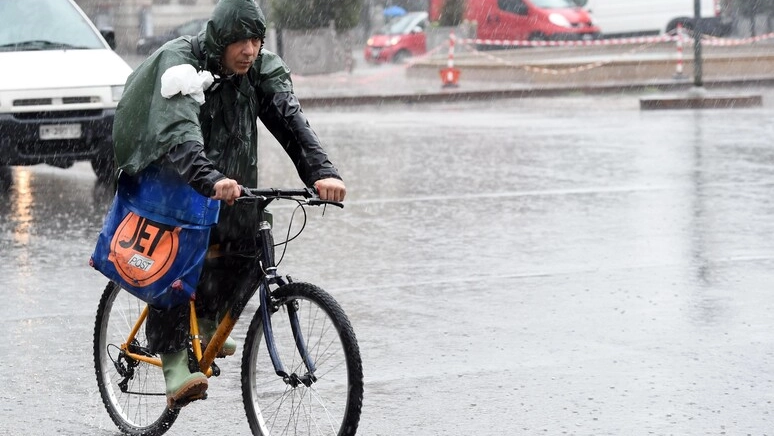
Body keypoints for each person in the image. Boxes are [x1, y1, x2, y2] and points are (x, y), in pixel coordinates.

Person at [111, 0, 346, 408]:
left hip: (229, 184)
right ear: (221, 38)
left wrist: (322, 172)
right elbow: (180, 132)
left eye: (256, 39)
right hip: (172, 175)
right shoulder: (181, 63)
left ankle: (203, 321)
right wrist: (210, 178)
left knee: (248, 236)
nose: (250, 49)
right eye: (240, 40)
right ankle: (172, 362)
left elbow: (290, 120)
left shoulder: (259, 68)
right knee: (178, 254)